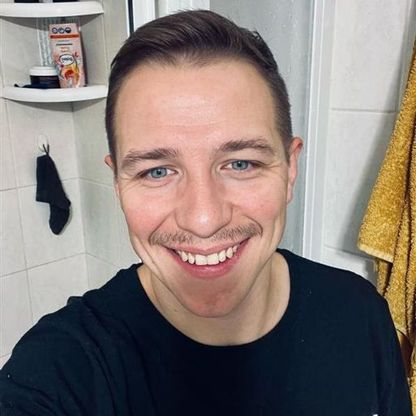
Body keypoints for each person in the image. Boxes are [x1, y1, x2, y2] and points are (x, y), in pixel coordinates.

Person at [0, 10, 411, 416]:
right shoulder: (61, 367)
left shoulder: (361, 315)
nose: (203, 219)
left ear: (290, 170)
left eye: (241, 164)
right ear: (119, 184)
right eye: (157, 171)